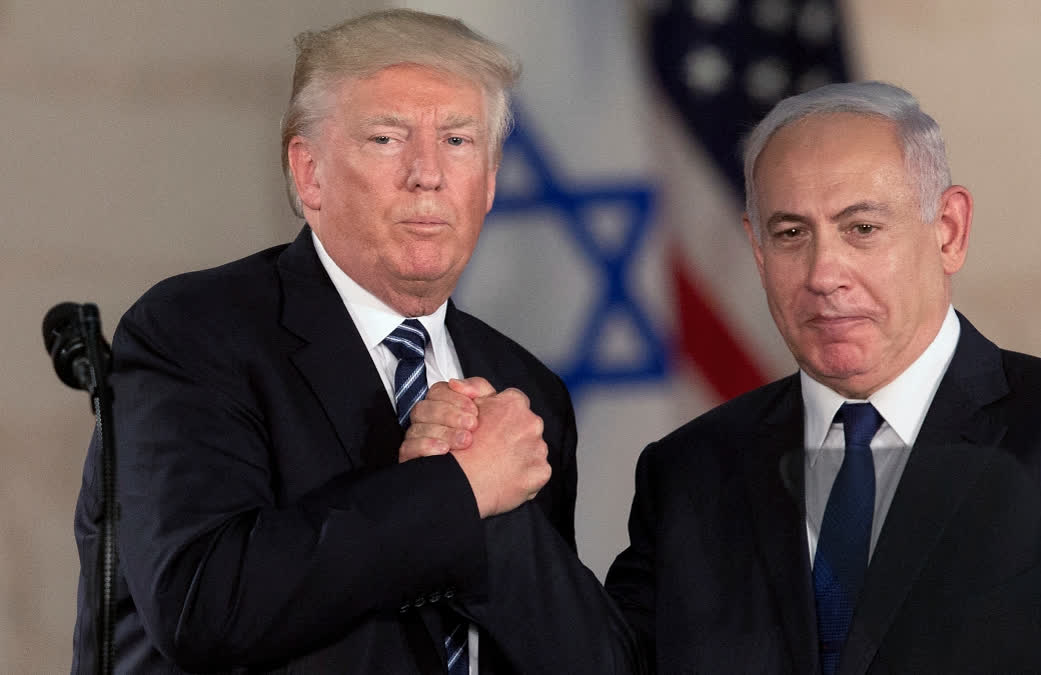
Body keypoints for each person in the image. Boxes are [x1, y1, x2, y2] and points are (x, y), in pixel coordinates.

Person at [71, 9, 633, 674]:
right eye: (387, 139)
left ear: (488, 180)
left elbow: (589, 660)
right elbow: (202, 602)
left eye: (457, 141)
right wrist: (455, 489)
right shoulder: (196, 333)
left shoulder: (524, 389)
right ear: (309, 173)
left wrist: (490, 507)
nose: (427, 173)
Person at [598, 81, 1041, 672]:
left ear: (949, 230)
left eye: (862, 228)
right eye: (790, 234)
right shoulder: (686, 473)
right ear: (757, 249)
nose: (823, 272)